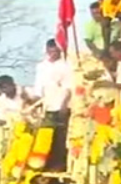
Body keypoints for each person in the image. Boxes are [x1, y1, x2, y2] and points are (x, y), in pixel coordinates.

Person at [32, 39, 73, 171]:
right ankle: (44, 163)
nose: (53, 53)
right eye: (51, 51)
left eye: (56, 51)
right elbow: (38, 87)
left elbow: (69, 87)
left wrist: (64, 105)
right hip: (46, 105)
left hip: (60, 104)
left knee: (61, 136)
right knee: (45, 135)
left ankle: (59, 164)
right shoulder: (41, 66)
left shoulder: (66, 66)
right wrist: (35, 103)